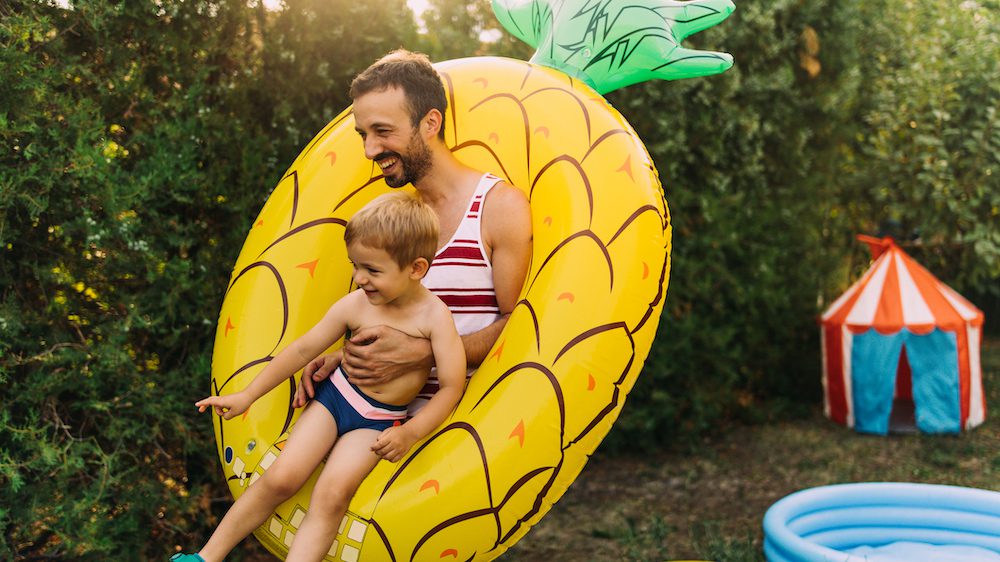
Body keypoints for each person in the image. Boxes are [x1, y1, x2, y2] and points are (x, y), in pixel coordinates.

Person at [172, 192, 467, 562]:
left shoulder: (435, 318)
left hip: (376, 422)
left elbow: (452, 387)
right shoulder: (355, 305)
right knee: (282, 477)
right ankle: (205, 558)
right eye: (355, 266)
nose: (360, 279)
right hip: (334, 399)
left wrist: (410, 432)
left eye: (373, 270)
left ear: (416, 268)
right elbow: (301, 351)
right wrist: (247, 396)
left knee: (331, 496)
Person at [295, 49, 532, 415]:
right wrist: (348, 360)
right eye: (364, 135)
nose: (370, 149)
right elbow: (397, 324)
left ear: (430, 123)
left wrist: (422, 354)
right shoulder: (395, 221)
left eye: (383, 132)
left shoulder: (499, 206)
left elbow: (518, 325)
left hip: (466, 435)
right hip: (382, 427)